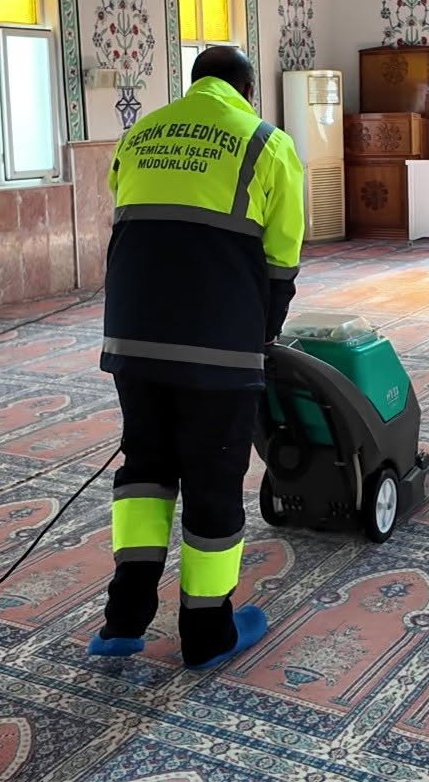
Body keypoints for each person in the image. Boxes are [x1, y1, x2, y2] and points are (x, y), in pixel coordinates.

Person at [89, 46, 305, 669]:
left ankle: (124, 621)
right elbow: (282, 258)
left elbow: (132, 216)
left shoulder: (140, 135)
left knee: (145, 470)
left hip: (132, 339)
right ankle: (208, 631)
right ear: (246, 90)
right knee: (212, 480)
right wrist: (262, 336)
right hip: (217, 345)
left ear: (194, 84)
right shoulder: (266, 143)